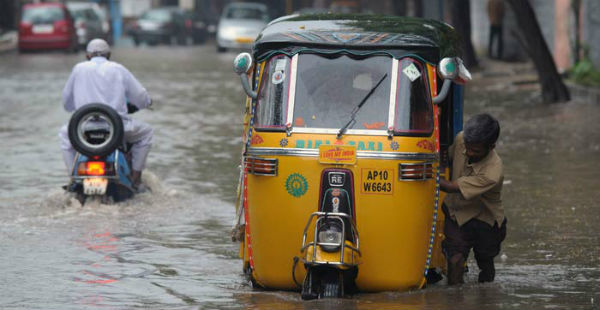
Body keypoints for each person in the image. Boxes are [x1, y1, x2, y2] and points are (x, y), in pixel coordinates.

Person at [59, 38, 153, 189]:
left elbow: (66, 102)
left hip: (83, 129)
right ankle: (135, 178)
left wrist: (75, 109)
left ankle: (73, 179)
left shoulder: (78, 69)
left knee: (65, 135)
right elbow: (140, 96)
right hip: (117, 128)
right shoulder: (118, 68)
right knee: (146, 133)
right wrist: (147, 103)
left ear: (87, 55)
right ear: (108, 55)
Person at [439, 113, 506, 285]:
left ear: (491, 146)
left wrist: (427, 175)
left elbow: (450, 187)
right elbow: (447, 158)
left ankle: (485, 297)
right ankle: (454, 299)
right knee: (455, 259)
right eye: (467, 147)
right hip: (457, 213)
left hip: (485, 220)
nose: (468, 152)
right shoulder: (462, 138)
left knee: (485, 262)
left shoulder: (493, 171)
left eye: (475, 151)